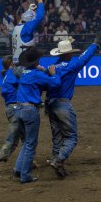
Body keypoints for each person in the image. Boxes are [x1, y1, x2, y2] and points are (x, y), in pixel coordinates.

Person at [45, 33, 101, 178]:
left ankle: (55, 160)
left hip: (50, 103)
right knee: (71, 137)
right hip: (63, 103)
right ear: (69, 54)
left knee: (57, 136)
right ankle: (59, 160)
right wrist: (94, 45)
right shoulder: (71, 65)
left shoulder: (52, 67)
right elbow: (85, 57)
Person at [14, 47, 60, 183]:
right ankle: (25, 175)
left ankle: (18, 169)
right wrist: (53, 73)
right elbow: (55, 83)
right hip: (30, 110)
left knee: (27, 142)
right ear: (36, 61)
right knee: (31, 143)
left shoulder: (24, 73)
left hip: (19, 108)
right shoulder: (36, 74)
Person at [12, 0, 45, 65]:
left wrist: (30, 10)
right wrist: (40, 1)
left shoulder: (16, 28)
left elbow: (24, 19)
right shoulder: (27, 27)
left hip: (16, 62)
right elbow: (40, 16)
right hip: (24, 63)